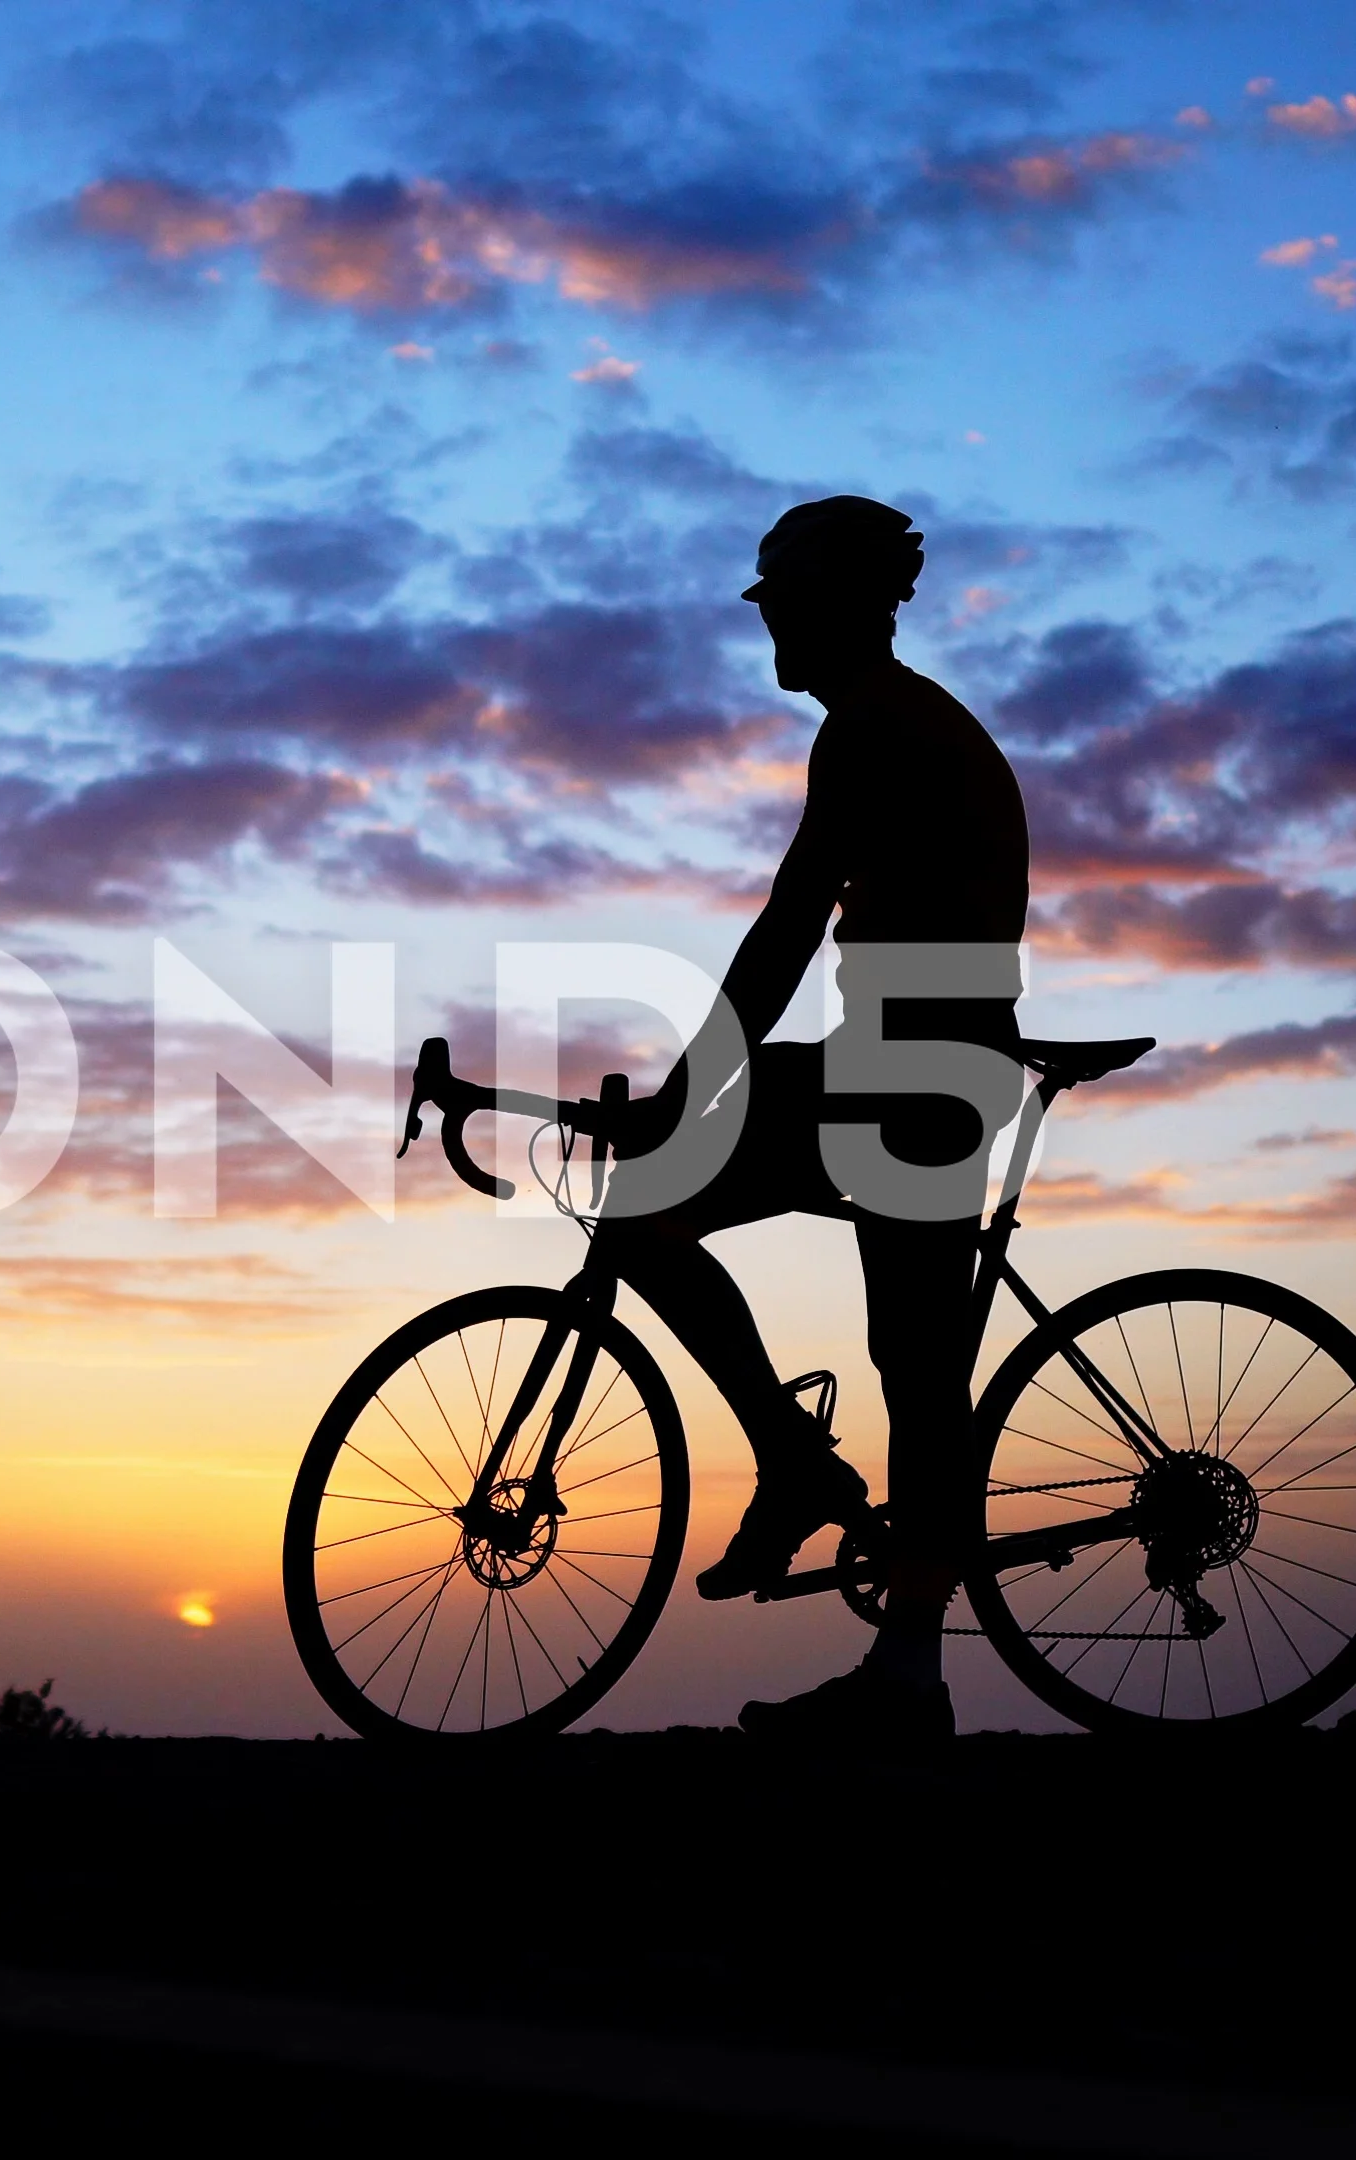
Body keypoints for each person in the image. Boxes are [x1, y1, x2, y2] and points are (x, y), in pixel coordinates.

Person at [589, 494, 1029, 1745]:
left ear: (836, 604)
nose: (767, 621)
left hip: (917, 1060)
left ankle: (819, 1510)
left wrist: (690, 1088)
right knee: (912, 1360)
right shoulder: (896, 721)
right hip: (912, 1052)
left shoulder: (875, 730)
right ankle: (873, 1608)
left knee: (905, 1356)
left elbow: (789, 925)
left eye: (780, 600)